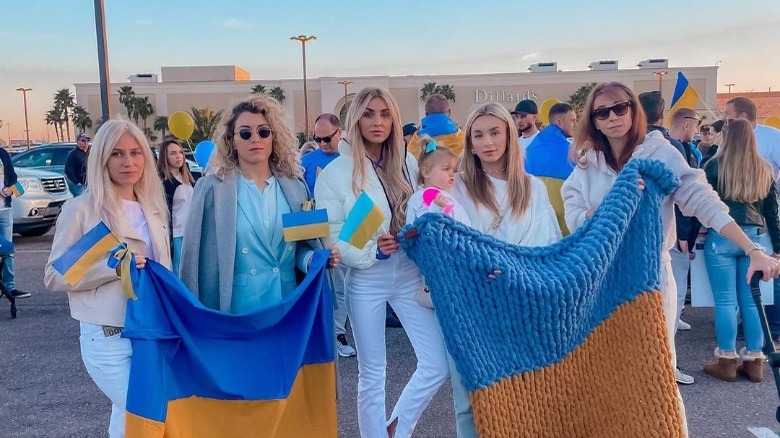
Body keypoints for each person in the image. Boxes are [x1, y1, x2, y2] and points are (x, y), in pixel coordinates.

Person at [561, 82, 780, 436]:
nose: (613, 117)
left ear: (634, 110)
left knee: (658, 372)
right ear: (594, 120)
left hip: (650, 278)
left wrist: (753, 249)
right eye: (603, 112)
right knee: (607, 373)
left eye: (620, 108)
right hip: (602, 279)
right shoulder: (589, 163)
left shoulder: (659, 153)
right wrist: (602, 207)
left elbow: (702, 200)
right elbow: (574, 217)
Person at [315, 87, 448, 438]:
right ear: (355, 119)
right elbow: (331, 235)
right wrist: (374, 249)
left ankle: (396, 428)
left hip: (408, 274)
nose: (377, 122)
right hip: (367, 279)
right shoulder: (335, 173)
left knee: (436, 362)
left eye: (385, 114)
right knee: (373, 373)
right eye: (369, 114)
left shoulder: (406, 162)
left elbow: (424, 205)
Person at [44, 119, 171, 438]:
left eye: (135, 152)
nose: (128, 162)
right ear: (101, 158)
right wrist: (110, 267)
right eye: (117, 154)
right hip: (108, 337)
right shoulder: (82, 209)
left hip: (150, 333)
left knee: (127, 422)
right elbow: (54, 275)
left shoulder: (152, 208)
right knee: (152, 416)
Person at [449, 102, 561, 438]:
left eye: (495, 132)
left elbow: (548, 246)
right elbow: (450, 242)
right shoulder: (457, 186)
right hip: (471, 308)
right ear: (469, 142)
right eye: (478, 135)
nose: (487, 142)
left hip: (522, 304)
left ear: (510, 136)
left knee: (523, 397)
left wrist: (516, 274)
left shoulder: (534, 187)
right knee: (469, 402)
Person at [179, 94, 339, 314]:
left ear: (274, 137)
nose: (255, 138)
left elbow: (302, 246)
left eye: (263, 131)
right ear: (231, 140)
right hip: (237, 312)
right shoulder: (211, 189)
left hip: (288, 307)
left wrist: (313, 258)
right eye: (245, 133)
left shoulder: (295, 186)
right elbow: (194, 259)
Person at [701, 118, 780, 383]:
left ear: (726, 136)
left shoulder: (714, 166)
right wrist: (777, 249)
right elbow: (772, 213)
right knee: (752, 301)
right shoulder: (765, 168)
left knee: (725, 301)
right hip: (758, 240)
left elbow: (702, 203)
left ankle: (726, 359)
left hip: (723, 236)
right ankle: (755, 359)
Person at [302, 113, 356, 358]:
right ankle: (330, 333)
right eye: (318, 138)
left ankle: (341, 332)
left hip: (350, 227)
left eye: (327, 138)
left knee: (348, 282)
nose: (323, 143)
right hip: (318, 229)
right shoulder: (307, 161)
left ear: (339, 132)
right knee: (328, 283)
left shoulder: (352, 160)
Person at [524, 102, 577, 235]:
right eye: (572, 121)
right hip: (562, 217)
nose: (575, 125)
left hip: (535, 216)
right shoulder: (568, 149)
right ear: (559, 122)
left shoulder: (531, 147)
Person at [406, 136, 469, 225]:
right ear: (426, 172)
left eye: (454, 170)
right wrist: (436, 207)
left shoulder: (444, 193)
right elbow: (423, 224)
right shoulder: (423, 196)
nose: (452, 174)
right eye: (446, 169)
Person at [157, 139, 195, 277]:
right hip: (177, 234)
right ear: (165, 156)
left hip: (191, 232)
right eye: (173, 153)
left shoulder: (187, 177)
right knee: (178, 272)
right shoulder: (163, 181)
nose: (178, 156)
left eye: (180, 152)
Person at [0, 147, 29, 299]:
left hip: (5, 209)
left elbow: (12, 177)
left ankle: (9, 287)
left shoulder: (3, 154)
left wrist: (12, 189)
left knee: (7, 250)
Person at [407, 94, 464, 158]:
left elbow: (410, 160)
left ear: (426, 114)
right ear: (449, 112)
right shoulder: (461, 137)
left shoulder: (417, 139)